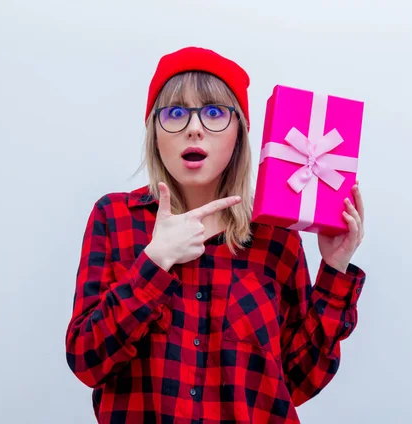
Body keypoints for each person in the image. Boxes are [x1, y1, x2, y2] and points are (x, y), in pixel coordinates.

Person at [65, 46, 366, 423]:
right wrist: (155, 263)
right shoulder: (114, 219)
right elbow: (87, 361)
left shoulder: (276, 237)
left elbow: (297, 381)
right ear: (155, 132)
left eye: (214, 113)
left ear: (239, 132)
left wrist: (335, 269)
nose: (194, 128)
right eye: (175, 113)